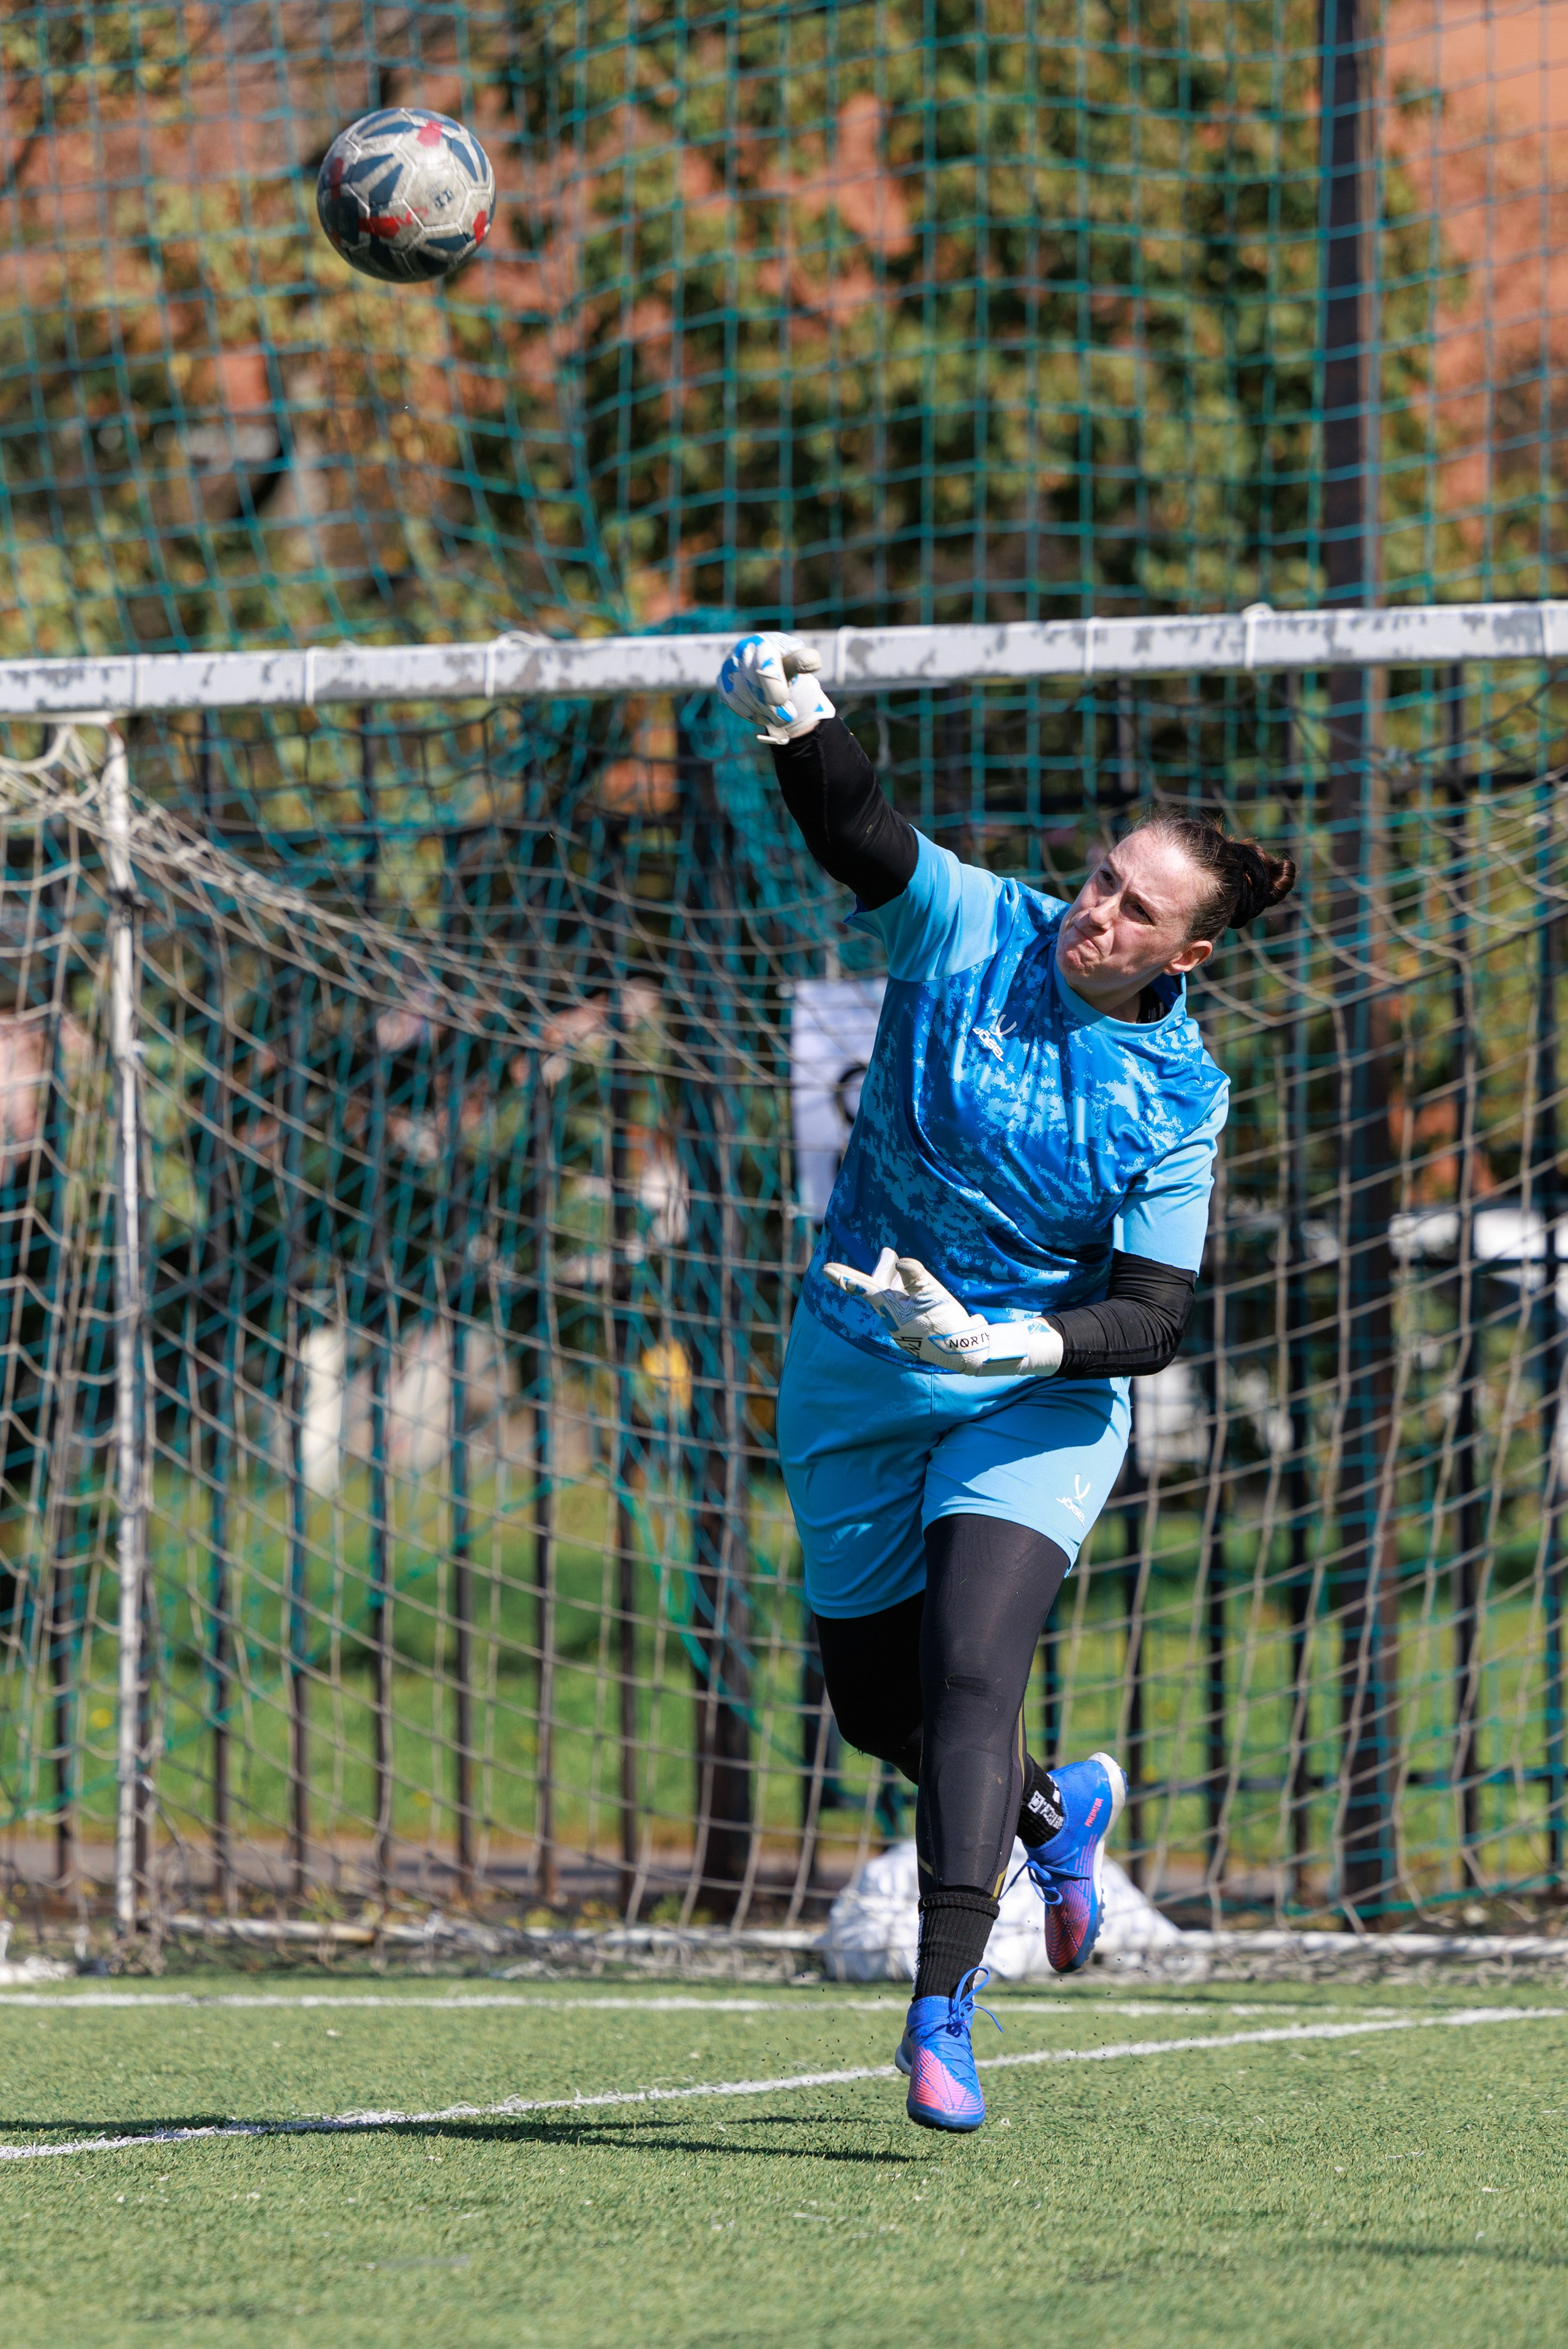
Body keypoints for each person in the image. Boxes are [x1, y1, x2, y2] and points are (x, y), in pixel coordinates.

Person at [717, 630, 1297, 2135]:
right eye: (1101, 878)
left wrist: (1015, 1346)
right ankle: (1058, 1812)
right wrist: (800, 724)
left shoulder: (1178, 1095)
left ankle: (943, 2010)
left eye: (1134, 909)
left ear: (1190, 955)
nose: (1093, 911)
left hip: (1030, 1394)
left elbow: (1153, 1314)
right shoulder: (975, 925)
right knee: (875, 1709)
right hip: (856, 1362)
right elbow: (860, 834)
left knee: (976, 1670)